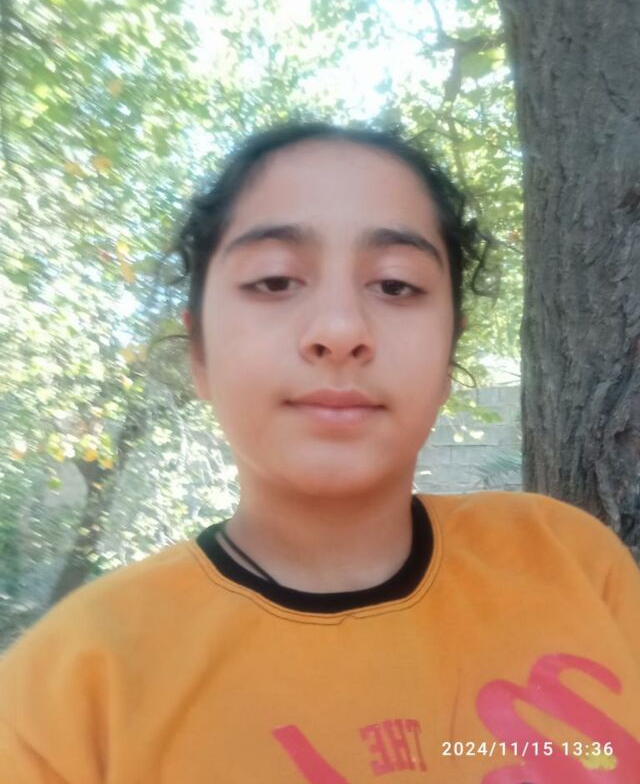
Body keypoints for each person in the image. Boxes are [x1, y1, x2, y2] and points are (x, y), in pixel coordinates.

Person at [1, 120, 639, 784]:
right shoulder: (63, 693)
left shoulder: (572, 562)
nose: (340, 330)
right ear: (199, 354)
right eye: (276, 280)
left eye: (395, 285)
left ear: (449, 353)